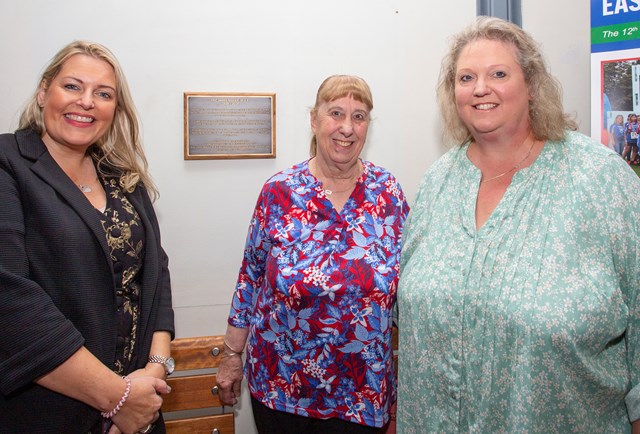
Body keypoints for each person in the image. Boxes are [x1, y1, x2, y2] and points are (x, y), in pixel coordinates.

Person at [396, 17, 640, 433]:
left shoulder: (600, 178)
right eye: (466, 77)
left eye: (498, 74)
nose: (479, 88)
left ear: (531, 85)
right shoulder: (437, 181)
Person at [216, 75, 409, 434]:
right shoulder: (279, 192)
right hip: (282, 389)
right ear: (314, 119)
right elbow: (250, 278)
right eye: (336, 113)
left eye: (359, 116)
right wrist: (231, 356)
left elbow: (410, 282)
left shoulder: (388, 193)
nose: (347, 128)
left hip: (362, 392)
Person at [0, 41, 175, 433]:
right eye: (73, 86)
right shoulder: (8, 162)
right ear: (44, 92)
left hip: (140, 411)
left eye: (103, 94)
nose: (87, 102)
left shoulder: (122, 178)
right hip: (47, 413)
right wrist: (116, 398)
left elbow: (156, 275)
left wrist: (154, 373)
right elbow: (8, 298)